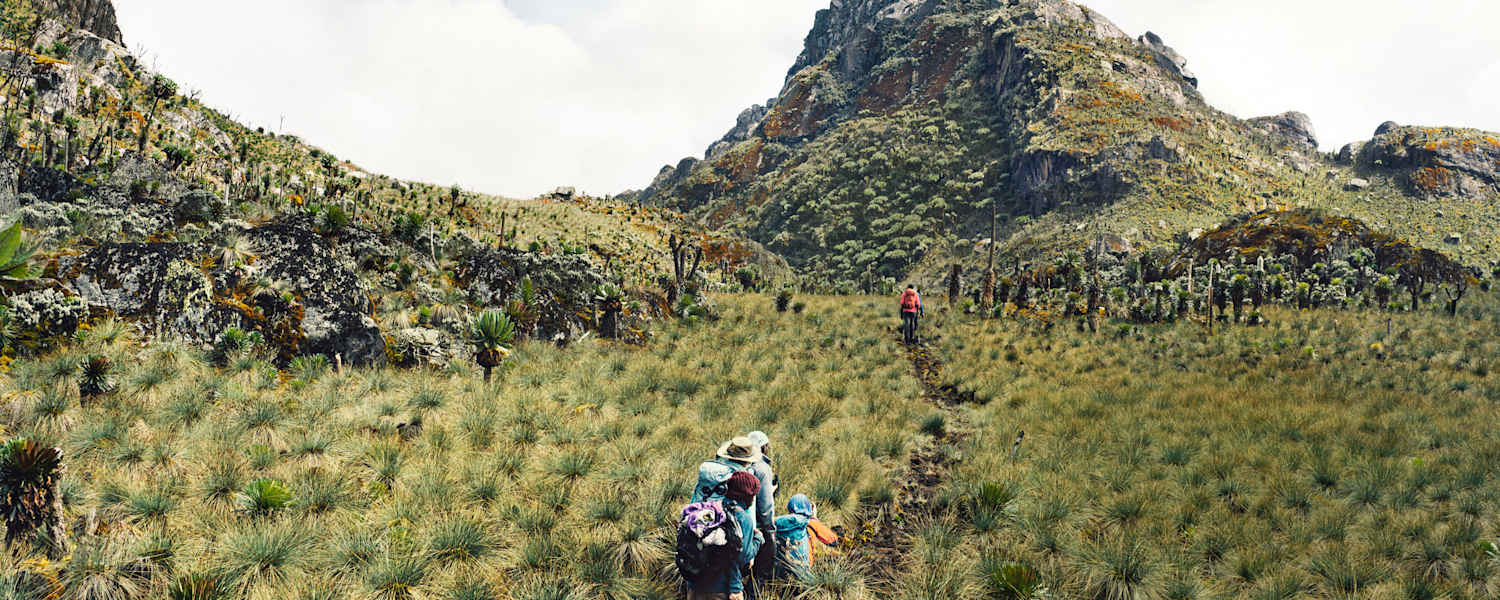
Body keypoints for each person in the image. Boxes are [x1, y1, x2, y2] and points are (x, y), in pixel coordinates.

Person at [688, 471, 763, 600]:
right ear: (746, 495)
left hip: (694, 585)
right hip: (722, 589)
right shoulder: (743, 519)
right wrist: (758, 540)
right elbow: (742, 557)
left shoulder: (711, 509)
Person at [773, 494, 839, 579]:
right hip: (803, 570)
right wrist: (814, 518)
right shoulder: (811, 523)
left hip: (780, 569)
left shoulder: (778, 521)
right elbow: (833, 541)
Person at [744, 431, 777, 594]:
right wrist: (770, 530)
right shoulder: (762, 468)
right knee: (761, 572)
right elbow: (765, 507)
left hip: (737, 525)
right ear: (764, 447)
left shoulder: (742, 465)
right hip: (758, 529)